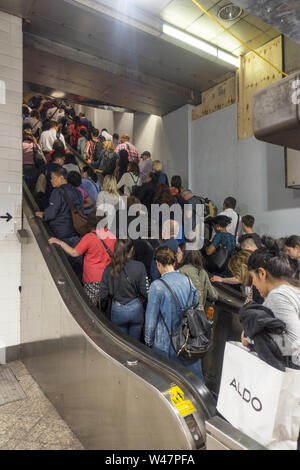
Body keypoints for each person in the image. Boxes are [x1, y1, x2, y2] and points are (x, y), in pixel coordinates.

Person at [145, 245, 203, 381]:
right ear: (174, 262)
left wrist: (148, 342)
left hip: (165, 343)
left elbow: (151, 321)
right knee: (188, 381)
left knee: (166, 381)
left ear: (158, 264)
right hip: (188, 339)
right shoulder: (187, 281)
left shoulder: (157, 286)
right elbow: (197, 308)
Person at [246, 236, 300, 370]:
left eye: (253, 277)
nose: (253, 283)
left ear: (262, 273)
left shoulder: (279, 295)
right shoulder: (293, 288)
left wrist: (250, 339)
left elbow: (294, 343)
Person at [49, 213, 117, 305]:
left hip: (93, 279)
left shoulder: (89, 238)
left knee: (90, 305)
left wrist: (60, 242)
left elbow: (74, 253)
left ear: (89, 224)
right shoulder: (111, 235)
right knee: (106, 302)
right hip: (109, 276)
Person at [99, 238, 149, 340]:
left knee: (121, 343)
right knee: (135, 344)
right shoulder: (139, 266)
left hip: (117, 310)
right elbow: (145, 292)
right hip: (135, 308)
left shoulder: (109, 268)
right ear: (132, 249)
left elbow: (103, 293)